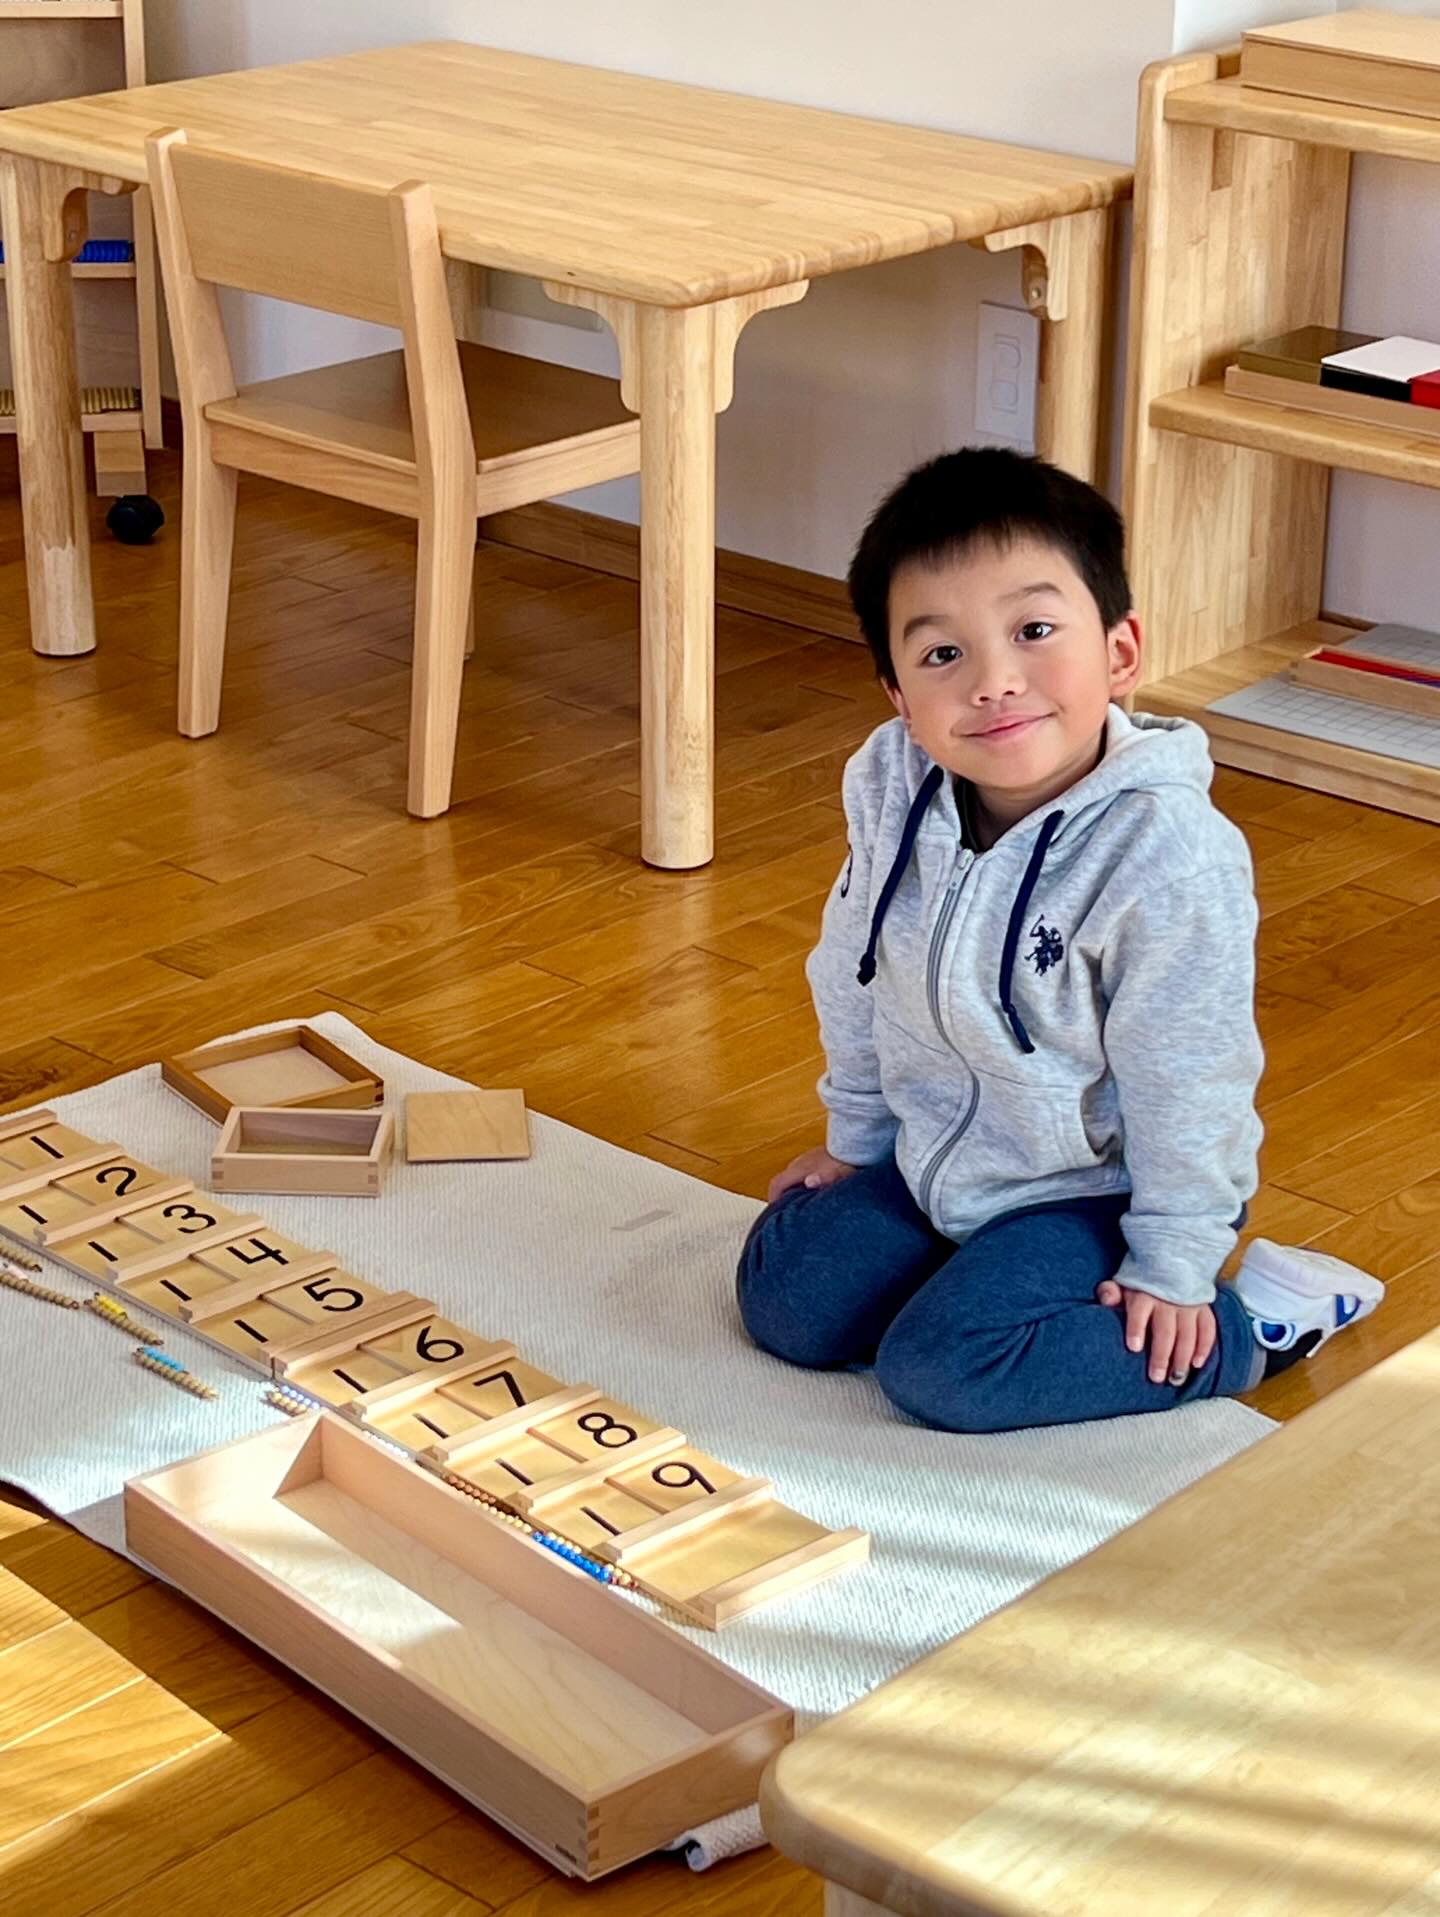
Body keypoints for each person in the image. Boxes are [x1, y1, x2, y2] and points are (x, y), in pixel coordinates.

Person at [735, 448, 1382, 1431]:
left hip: (1095, 1193)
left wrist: (1173, 1263)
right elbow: (850, 964)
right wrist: (859, 1146)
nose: (995, 682)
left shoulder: (1170, 853)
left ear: (1121, 653)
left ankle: (1261, 1325)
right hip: (935, 1156)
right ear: (899, 696)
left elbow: (1190, 1077)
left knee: (942, 1370)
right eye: (942, 654)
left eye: (1034, 631)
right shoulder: (887, 783)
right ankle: (969, 1272)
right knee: (787, 1304)